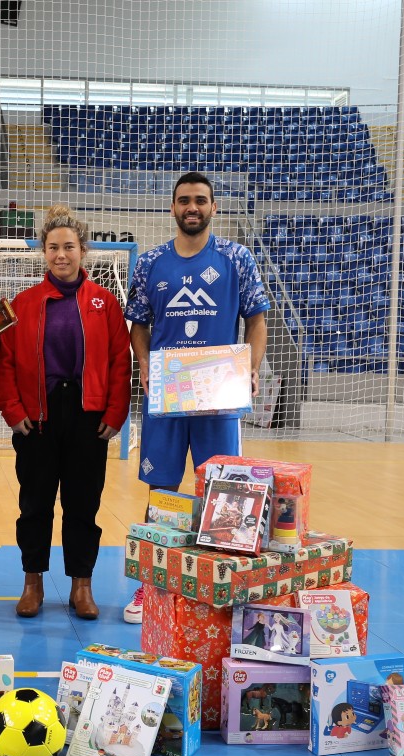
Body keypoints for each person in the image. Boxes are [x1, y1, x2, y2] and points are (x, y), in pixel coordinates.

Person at [123, 171, 269, 624]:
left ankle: (221, 587)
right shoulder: (150, 263)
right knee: (161, 489)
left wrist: (250, 369)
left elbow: (257, 319)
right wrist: (145, 366)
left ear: (213, 207)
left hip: (218, 395)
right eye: (184, 200)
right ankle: (153, 587)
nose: (192, 207)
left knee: (226, 491)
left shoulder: (236, 257)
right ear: (172, 207)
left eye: (200, 200)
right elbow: (138, 326)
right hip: (167, 393)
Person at [0, 205, 129, 620]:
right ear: (43, 252)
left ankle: (81, 586)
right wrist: (13, 412)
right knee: (34, 504)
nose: (61, 255)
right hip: (38, 417)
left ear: (83, 250)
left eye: (69, 247)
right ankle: (32, 582)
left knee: (83, 505)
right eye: (53, 248)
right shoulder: (25, 303)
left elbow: (120, 362)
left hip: (88, 415)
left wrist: (116, 412)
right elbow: (6, 362)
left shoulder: (105, 303)